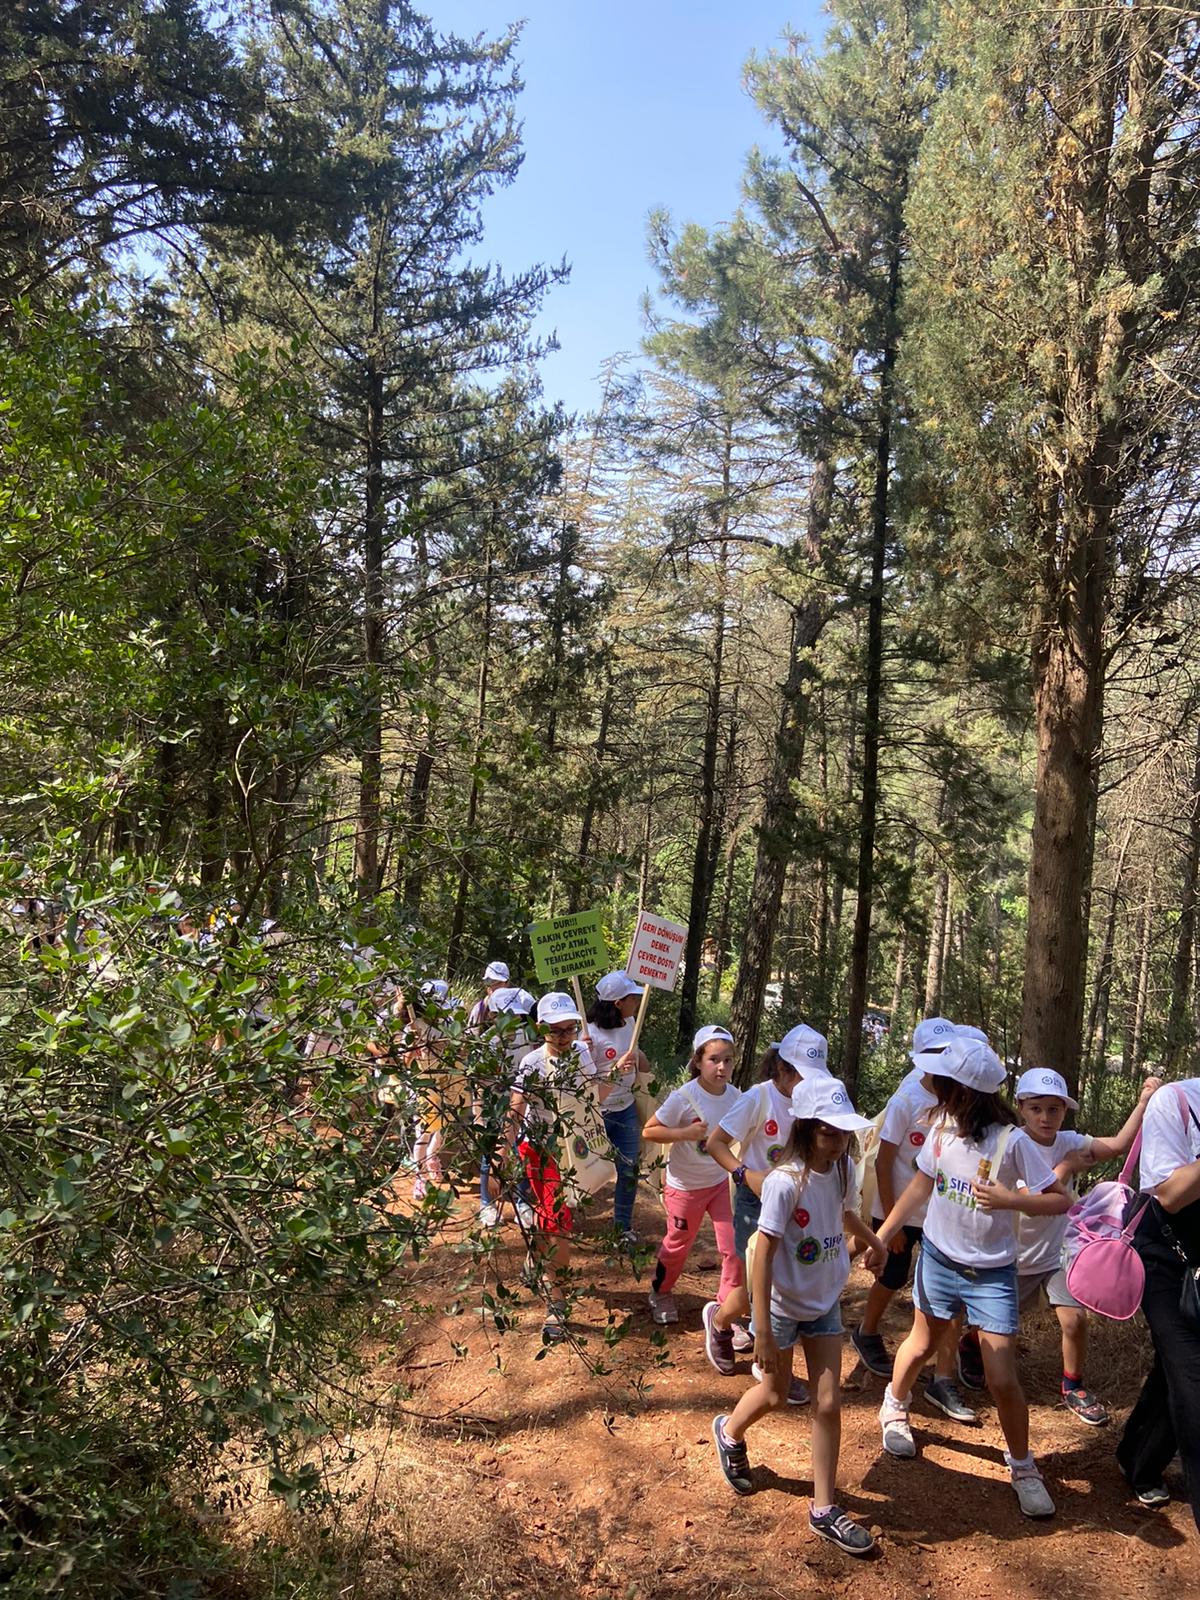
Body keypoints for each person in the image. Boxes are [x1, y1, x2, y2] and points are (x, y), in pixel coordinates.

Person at [873, 1033, 1070, 1519]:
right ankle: (894, 1405)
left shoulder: (1014, 1141)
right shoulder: (940, 1128)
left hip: (993, 1273)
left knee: (1002, 1376)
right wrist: (883, 1236)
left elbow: (1059, 1200)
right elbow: (921, 1184)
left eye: (941, 1082)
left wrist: (1010, 1200)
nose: (932, 1086)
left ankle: (1023, 1466)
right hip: (939, 1261)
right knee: (920, 1345)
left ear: (964, 1091)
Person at [710, 1076, 884, 1556]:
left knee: (828, 1403)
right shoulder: (785, 1182)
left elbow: (846, 1214)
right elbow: (762, 1254)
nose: (838, 1142)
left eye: (843, 1132)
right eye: (828, 1133)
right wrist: (762, 1330)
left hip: (824, 1299)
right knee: (773, 1394)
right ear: (805, 1129)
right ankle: (729, 1432)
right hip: (783, 1306)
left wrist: (874, 1241)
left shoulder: (844, 1167)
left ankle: (824, 1508)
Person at [1003, 1067, 1159, 1426]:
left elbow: (1118, 1145)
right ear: (1022, 1107)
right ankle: (969, 1348)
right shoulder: (1012, 1143)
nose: (1045, 1117)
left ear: (1064, 1111)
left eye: (1054, 1110)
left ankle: (1073, 1384)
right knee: (1002, 1325)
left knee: (1074, 1321)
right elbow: (1029, 1197)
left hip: (1057, 1254)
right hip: (1014, 1255)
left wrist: (1143, 1104)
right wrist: (1065, 1167)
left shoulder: (1068, 1141)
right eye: (1036, 1108)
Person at [851, 1017, 976, 1425]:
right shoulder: (908, 1100)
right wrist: (892, 1220)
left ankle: (943, 1377)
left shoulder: (956, 1097)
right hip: (900, 1204)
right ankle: (867, 1330)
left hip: (939, 1212)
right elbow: (884, 1161)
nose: (943, 1064)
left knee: (950, 1290)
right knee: (892, 1274)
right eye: (936, 1057)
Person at [703, 1023, 832, 1405]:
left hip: (797, 1203)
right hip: (754, 1200)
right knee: (755, 1286)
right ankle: (724, 1324)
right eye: (803, 1077)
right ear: (783, 1070)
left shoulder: (815, 1099)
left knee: (779, 1281)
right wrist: (747, 1175)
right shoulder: (758, 1099)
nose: (809, 1085)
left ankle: (769, 1357)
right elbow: (716, 1143)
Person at [1117, 1075, 1200, 1524]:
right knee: (1193, 1374)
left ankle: (1138, 1457)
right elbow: (1169, 1193)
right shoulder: (1176, 1101)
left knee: (1176, 1368)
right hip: (1166, 1258)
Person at [504, 991, 607, 1344]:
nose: (564, 1038)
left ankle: (539, 1261)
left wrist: (616, 1072)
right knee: (556, 1223)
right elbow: (517, 1106)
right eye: (556, 1031)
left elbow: (596, 1096)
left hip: (575, 1149)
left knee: (550, 1220)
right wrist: (503, 1145)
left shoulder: (581, 1053)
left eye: (570, 1029)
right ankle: (558, 1304)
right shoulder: (532, 1062)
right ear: (540, 1028)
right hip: (542, 1150)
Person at [641, 1026, 743, 1326]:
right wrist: (684, 1133)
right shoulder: (683, 1097)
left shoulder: (738, 1097)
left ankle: (727, 1310)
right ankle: (660, 1292)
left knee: (735, 1247)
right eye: (714, 1059)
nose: (722, 1067)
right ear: (698, 1062)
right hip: (685, 1186)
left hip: (721, 1184)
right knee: (677, 1244)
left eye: (728, 1060)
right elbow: (649, 1130)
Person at [586, 970, 652, 1245]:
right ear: (617, 1003)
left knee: (628, 1168)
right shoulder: (588, 1034)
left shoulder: (630, 1024)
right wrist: (609, 1068)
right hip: (595, 1114)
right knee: (585, 1171)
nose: (637, 1001)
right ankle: (559, 1220)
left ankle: (621, 1227)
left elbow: (643, 1065)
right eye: (632, 997)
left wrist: (639, 1058)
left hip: (625, 1110)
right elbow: (584, 1080)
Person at [475, 986, 537, 1230]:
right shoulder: (488, 1043)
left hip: (521, 1107)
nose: (513, 1021)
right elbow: (479, 1082)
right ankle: (486, 1203)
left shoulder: (527, 1038)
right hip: (494, 1106)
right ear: (495, 1015)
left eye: (516, 1016)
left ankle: (522, 1201)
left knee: (521, 1152)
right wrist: (480, 1114)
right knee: (490, 1154)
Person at [468, 960, 511, 1030]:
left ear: (507, 983)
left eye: (498, 982)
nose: (493, 986)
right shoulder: (479, 1009)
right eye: (489, 981)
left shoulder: (516, 1006)